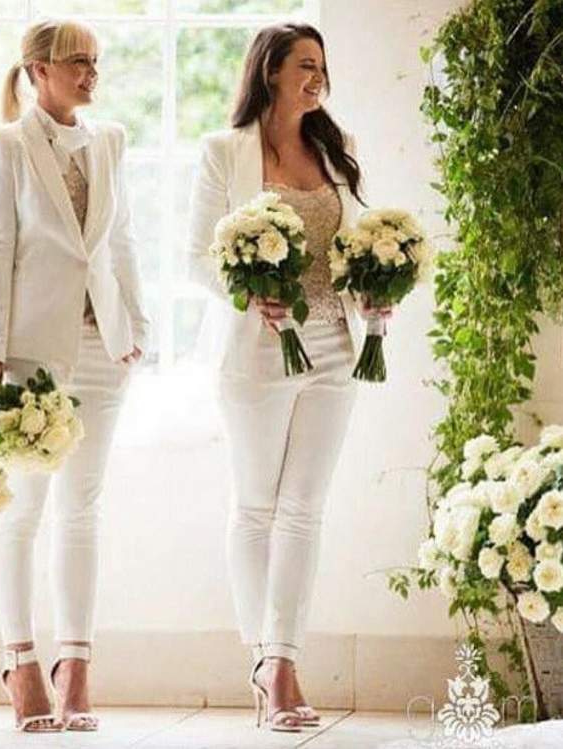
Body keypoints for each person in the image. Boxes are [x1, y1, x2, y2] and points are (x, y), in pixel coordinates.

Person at [188, 22, 389, 733]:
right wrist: (248, 293)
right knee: (256, 507)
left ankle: (284, 660)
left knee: (305, 509)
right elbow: (197, 257)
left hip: (334, 345)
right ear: (270, 70)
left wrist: (374, 290)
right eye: (305, 64)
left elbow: (354, 243)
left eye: (322, 66)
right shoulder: (224, 151)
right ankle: (263, 660)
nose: (317, 77)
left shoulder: (339, 148)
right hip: (257, 350)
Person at [0, 19, 150, 733]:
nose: (90, 73)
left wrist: (135, 326)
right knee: (22, 511)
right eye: (77, 61)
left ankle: (75, 668)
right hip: (27, 353)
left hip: (103, 347)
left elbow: (122, 239)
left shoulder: (111, 140)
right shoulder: (4, 144)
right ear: (38, 70)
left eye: (95, 61)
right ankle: (19, 660)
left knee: (82, 509)